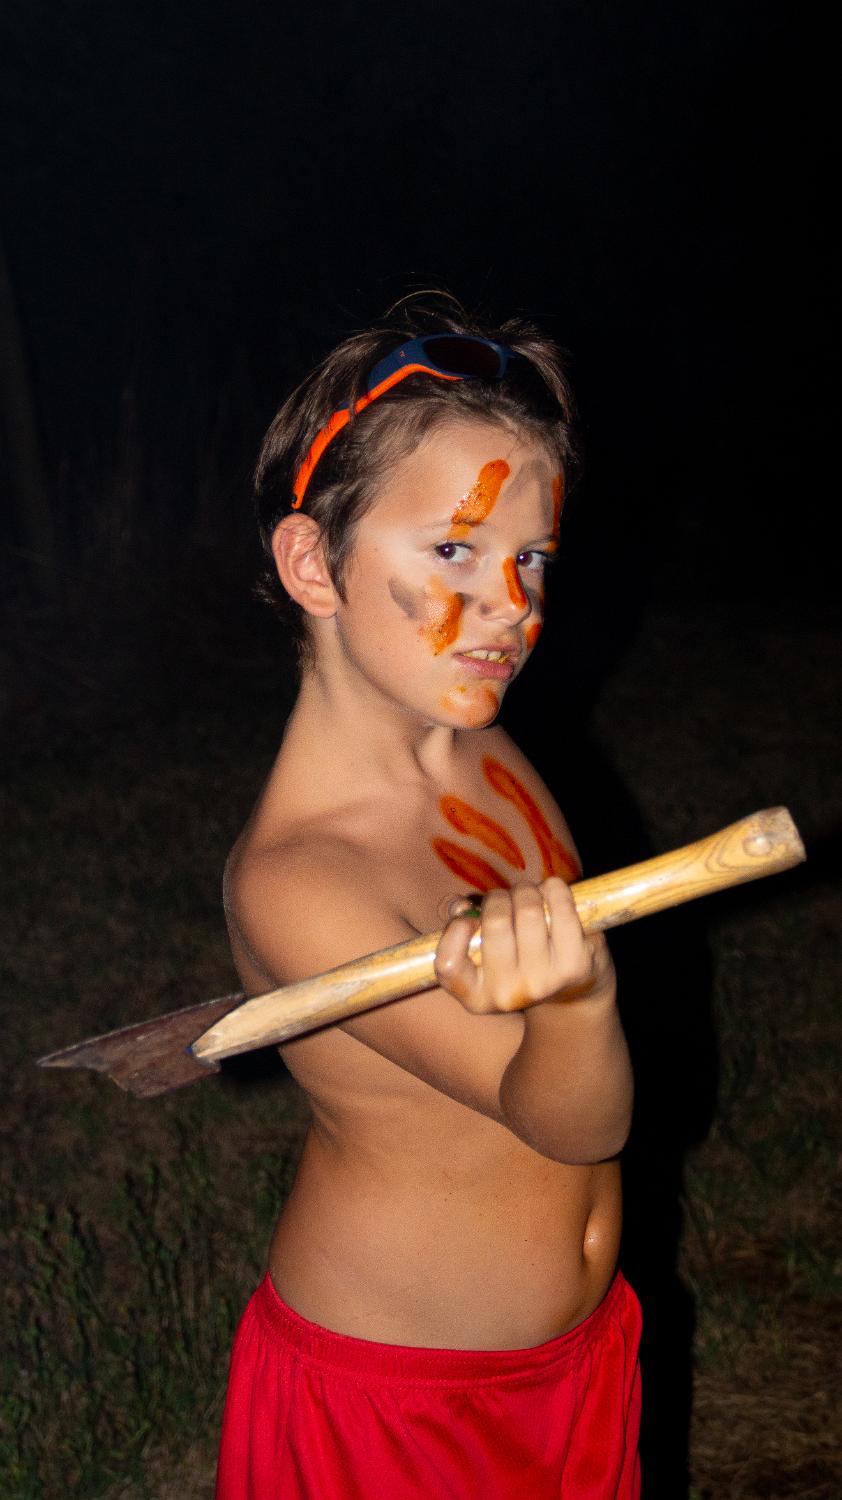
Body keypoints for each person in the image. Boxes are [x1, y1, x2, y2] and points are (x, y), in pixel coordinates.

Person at [216, 298, 641, 1499]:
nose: (510, 600)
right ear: (313, 565)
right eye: (454, 550)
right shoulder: (300, 880)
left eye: (530, 556)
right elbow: (570, 1122)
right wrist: (572, 1007)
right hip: (396, 1406)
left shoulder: (478, 747)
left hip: (577, 1361)